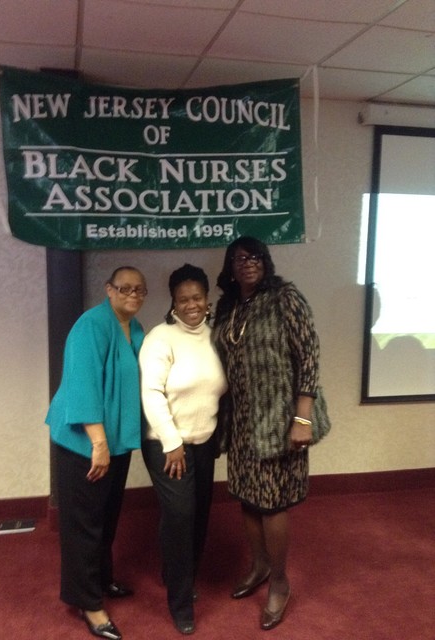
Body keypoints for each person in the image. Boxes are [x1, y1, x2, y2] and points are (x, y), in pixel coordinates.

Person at [213, 237, 330, 631]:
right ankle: (260, 565)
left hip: (279, 418)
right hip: (242, 419)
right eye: (239, 258)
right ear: (230, 267)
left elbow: (309, 355)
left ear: (266, 261)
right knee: (247, 497)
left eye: (255, 256)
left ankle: (279, 581)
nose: (248, 263)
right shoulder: (228, 306)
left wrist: (303, 418)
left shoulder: (285, 298)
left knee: (273, 501)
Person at [46, 266, 148, 640]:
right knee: (84, 525)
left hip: (115, 442)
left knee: (105, 518)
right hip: (86, 445)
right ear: (109, 289)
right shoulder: (90, 326)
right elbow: (83, 385)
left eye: (139, 290)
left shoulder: (134, 328)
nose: (133, 295)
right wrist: (99, 445)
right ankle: (88, 602)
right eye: (125, 288)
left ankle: (102, 579)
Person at [139, 264, 227, 635]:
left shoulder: (215, 336)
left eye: (197, 298)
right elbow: (151, 392)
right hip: (166, 444)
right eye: (183, 299)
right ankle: (180, 603)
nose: (191, 305)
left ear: (207, 300)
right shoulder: (160, 338)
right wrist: (172, 442)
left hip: (203, 443)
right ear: (173, 302)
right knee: (179, 516)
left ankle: (181, 573)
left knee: (199, 515)